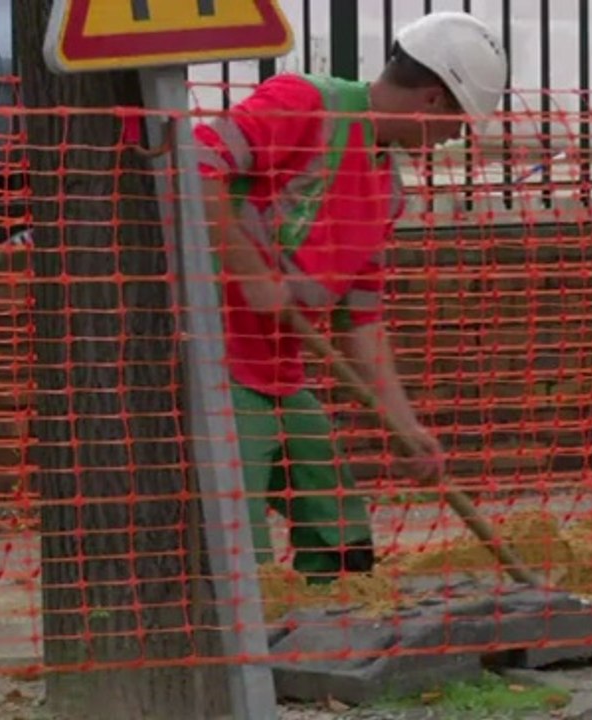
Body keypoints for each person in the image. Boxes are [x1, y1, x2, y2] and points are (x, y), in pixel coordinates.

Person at [193, 11, 509, 584]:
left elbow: (362, 321)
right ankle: (243, 659)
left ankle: (332, 629)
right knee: (231, 542)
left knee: (337, 522)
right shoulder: (304, 103)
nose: (454, 138)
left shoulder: (385, 189)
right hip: (210, 364)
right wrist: (249, 272)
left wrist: (406, 427)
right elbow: (194, 166)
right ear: (434, 100)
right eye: (460, 122)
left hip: (279, 375)